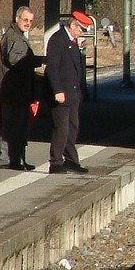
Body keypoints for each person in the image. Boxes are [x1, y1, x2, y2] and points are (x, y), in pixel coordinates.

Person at [45, 10, 90, 174]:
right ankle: (55, 161)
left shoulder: (72, 42)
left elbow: (77, 69)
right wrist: (57, 89)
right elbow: (53, 68)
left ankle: (71, 160)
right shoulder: (58, 40)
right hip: (61, 93)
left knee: (72, 127)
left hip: (73, 94)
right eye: (81, 29)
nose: (82, 33)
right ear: (73, 25)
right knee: (61, 129)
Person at [0, 6, 36, 171]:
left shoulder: (13, 35)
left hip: (13, 90)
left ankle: (13, 158)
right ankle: (11, 160)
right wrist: (34, 61)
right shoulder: (15, 38)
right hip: (15, 90)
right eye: (25, 20)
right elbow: (15, 60)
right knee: (14, 126)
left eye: (31, 21)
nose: (28, 24)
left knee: (12, 126)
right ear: (17, 18)